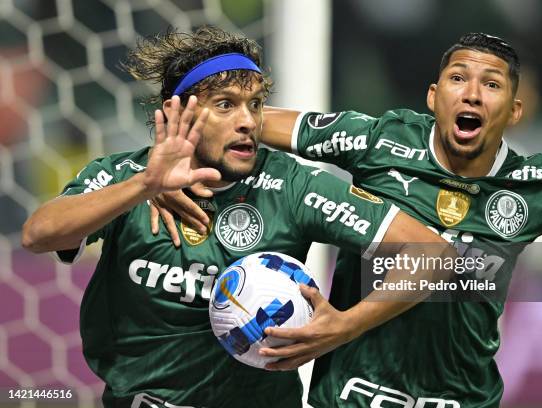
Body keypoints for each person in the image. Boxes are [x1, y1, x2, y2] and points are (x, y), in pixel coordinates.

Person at [160, 33, 542, 407]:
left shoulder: (541, 184)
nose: (472, 92)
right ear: (434, 97)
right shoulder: (381, 140)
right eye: (458, 78)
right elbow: (241, 121)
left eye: (491, 84)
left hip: (461, 397)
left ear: (514, 110)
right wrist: (173, 156)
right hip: (353, 393)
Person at [21, 26, 451, 408]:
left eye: (256, 104)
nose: (248, 121)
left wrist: (344, 326)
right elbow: (38, 235)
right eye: (225, 105)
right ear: (177, 112)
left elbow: (433, 252)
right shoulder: (123, 178)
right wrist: (144, 187)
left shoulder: (294, 186)